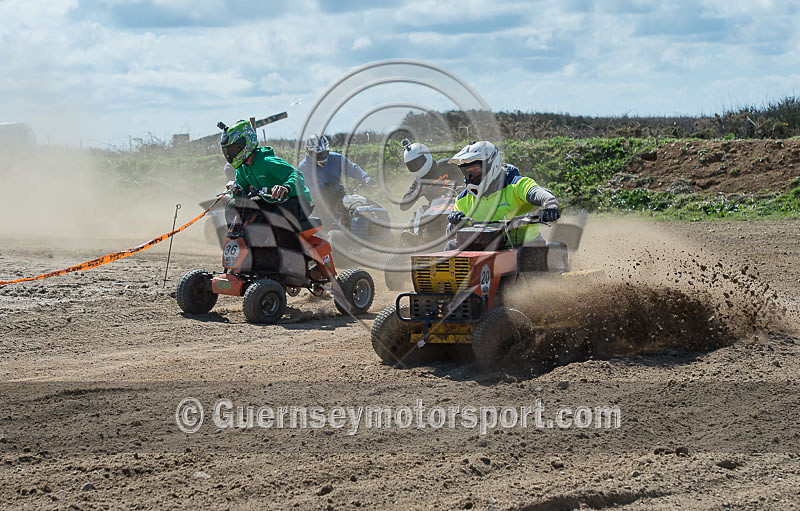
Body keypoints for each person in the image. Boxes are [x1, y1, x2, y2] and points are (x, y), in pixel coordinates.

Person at [446, 141, 560, 248]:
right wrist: (455, 224)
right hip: (484, 249)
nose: (470, 177)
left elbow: (543, 195)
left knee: (528, 259)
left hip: (525, 246)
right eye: (467, 172)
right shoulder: (462, 199)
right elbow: (450, 234)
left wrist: (550, 207)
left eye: (475, 170)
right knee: (451, 246)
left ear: (492, 165)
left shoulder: (517, 185)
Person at [220, 120, 313, 228]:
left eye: (233, 149)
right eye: (228, 150)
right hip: (273, 203)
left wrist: (285, 187)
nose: (229, 154)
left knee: (269, 221)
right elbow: (241, 196)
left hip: (297, 201)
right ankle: (235, 241)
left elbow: (297, 175)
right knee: (233, 206)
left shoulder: (267, 161)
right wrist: (235, 190)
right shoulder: (242, 169)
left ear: (246, 143)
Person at [297, 135, 375, 222]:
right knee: (323, 200)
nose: (322, 157)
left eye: (324, 153)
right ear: (309, 152)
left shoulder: (336, 158)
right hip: (317, 201)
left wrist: (366, 178)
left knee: (359, 202)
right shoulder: (303, 167)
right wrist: (321, 187)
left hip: (338, 193)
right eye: (318, 155)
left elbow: (352, 168)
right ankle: (328, 228)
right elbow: (305, 189)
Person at [398, 139, 460, 211]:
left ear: (426, 155)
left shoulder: (449, 164)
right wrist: (417, 193)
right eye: (412, 165)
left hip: (459, 204)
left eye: (418, 162)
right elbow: (403, 206)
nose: (416, 166)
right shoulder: (419, 182)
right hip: (436, 212)